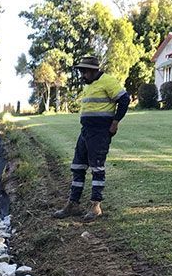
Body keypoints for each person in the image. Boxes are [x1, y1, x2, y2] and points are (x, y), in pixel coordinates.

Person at [54, 55, 130, 222]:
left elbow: (124, 100)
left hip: (100, 132)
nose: (82, 75)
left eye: (84, 71)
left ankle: (96, 206)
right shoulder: (89, 85)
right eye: (81, 71)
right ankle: (73, 204)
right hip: (86, 131)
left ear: (93, 70)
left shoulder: (108, 81)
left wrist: (115, 122)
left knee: (97, 168)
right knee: (78, 166)